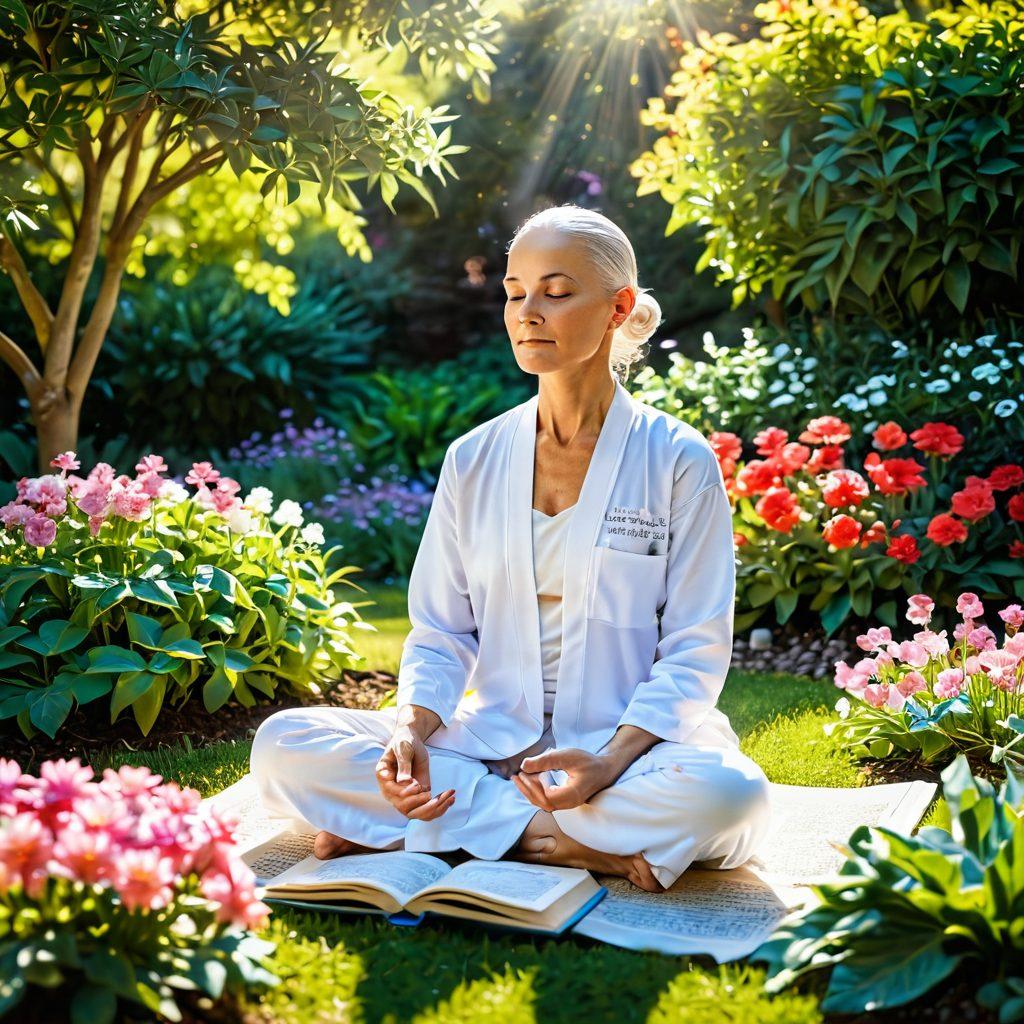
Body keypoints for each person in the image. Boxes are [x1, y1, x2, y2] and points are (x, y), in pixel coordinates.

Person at [250, 204, 771, 892]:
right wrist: (409, 730)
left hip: (627, 750)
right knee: (282, 744)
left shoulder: (677, 460)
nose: (529, 311)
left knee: (731, 797)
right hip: (487, 742)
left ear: (617, 308)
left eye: (556, 293)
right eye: (515, 291)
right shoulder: (474, 457)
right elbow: (442, 631)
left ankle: (421, 826)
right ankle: (566, 845)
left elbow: (696, 648)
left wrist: (609, 764)